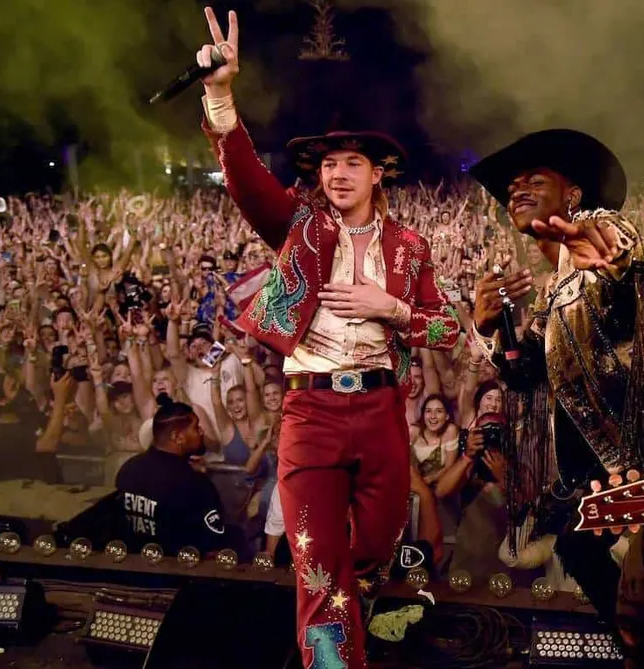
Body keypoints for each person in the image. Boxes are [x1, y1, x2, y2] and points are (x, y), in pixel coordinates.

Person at [193, 9, 460, 669]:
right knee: (316, 567)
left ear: (379, 174)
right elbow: (246, 178)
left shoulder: (409, 248)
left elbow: (448, 328)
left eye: (352, 162)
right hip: (309, 412)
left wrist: (392, 307)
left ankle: (347, 605)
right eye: (327, 164)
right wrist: (222, 94)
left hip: (379, 413)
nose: (337, 174)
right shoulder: (299, 227)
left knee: (371, 545)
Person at [469, 129, 644, 668]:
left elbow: (632, 280)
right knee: (580, 553)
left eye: (533, 180)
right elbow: (524, 372)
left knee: (638, 618)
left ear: (573, 195)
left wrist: (618, 256)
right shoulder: (556, 291)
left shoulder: (599, 254)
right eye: (510, 187)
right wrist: (490, 329)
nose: (516, 191)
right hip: (602, 478)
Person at [115, 394, 241, 557]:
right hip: (177, 576)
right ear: (177, 437)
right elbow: (213, 550)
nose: (202, 432)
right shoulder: (195, 484)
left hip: (131, 569)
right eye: (196, 427)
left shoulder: (128, 470)